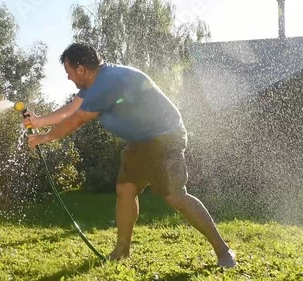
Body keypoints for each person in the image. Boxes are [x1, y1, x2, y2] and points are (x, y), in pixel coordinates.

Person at [23, 42, 236, 268]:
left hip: (163, 137)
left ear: (81, 69)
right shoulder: (93, 83)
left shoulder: (106, 83)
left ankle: (223, 250)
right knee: (125, 189)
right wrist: (39, 121)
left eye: (69, 72)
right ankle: (122, 250)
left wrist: (43, 138)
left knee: (174, 195)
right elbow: (72, 108)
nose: (68, 78)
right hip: (139, 140)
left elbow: (75, 120)